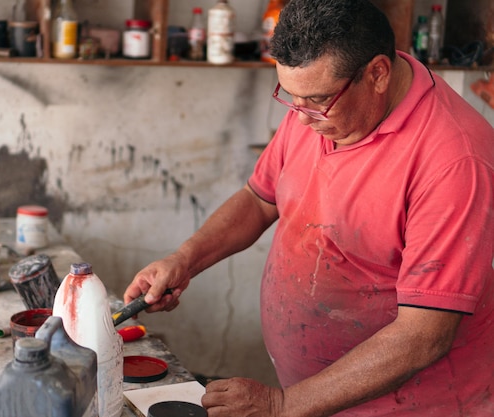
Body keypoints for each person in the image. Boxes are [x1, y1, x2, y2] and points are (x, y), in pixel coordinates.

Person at [123, 0, 494, 415]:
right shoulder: (320, 105)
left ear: (377, 74)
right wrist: (183, 261)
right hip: (313, 394)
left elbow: (423, 335)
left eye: (316, 100)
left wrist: (283, 405)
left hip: (412, 404)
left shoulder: (455, 160)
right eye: (290, 96)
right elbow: (259, 199)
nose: (300, 119)